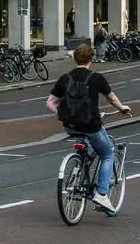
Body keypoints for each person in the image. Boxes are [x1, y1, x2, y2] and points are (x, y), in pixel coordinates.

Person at [51, 42, 132, 215]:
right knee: (107, 154)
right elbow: (112, 98)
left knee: (83, 146)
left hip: (70, 126)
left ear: (75, 59)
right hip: (91, 125)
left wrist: (62, 114)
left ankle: (77, 171)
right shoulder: (97, 78)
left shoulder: (64, 78)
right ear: (92, 58)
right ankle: (102, 194)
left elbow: (50, 102)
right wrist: (122, 108)